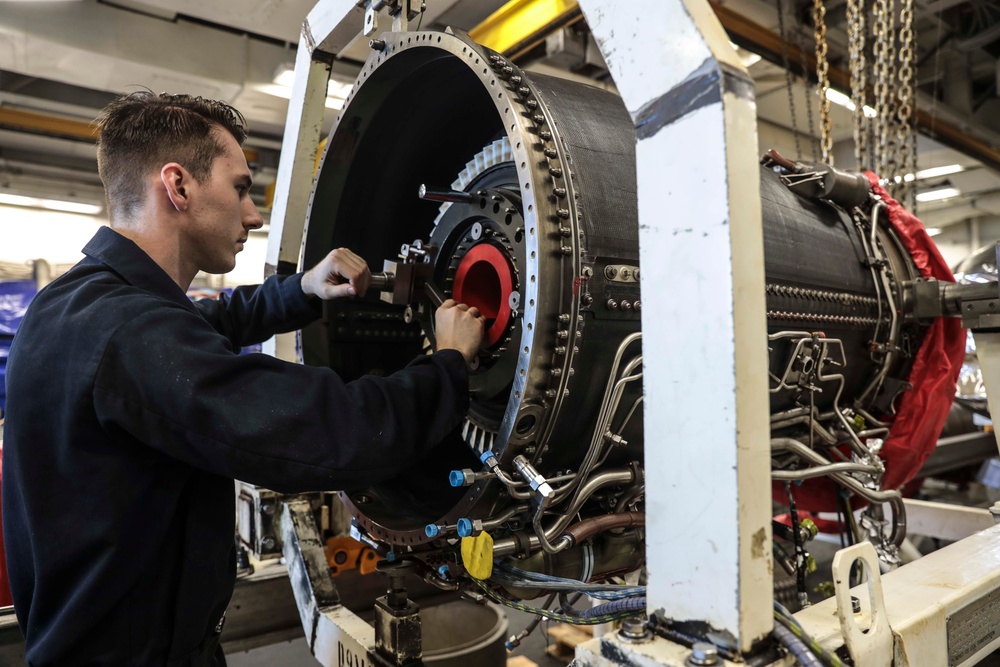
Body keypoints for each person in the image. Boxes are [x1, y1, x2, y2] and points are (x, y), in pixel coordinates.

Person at [1, 91, 485, 666]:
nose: (253, 214)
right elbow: (333, 434)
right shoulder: (132, 333)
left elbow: (208, 323)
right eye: (240, 187)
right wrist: (447, 364)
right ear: (177, 186)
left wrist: (302, 290)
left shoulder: (79, 303)